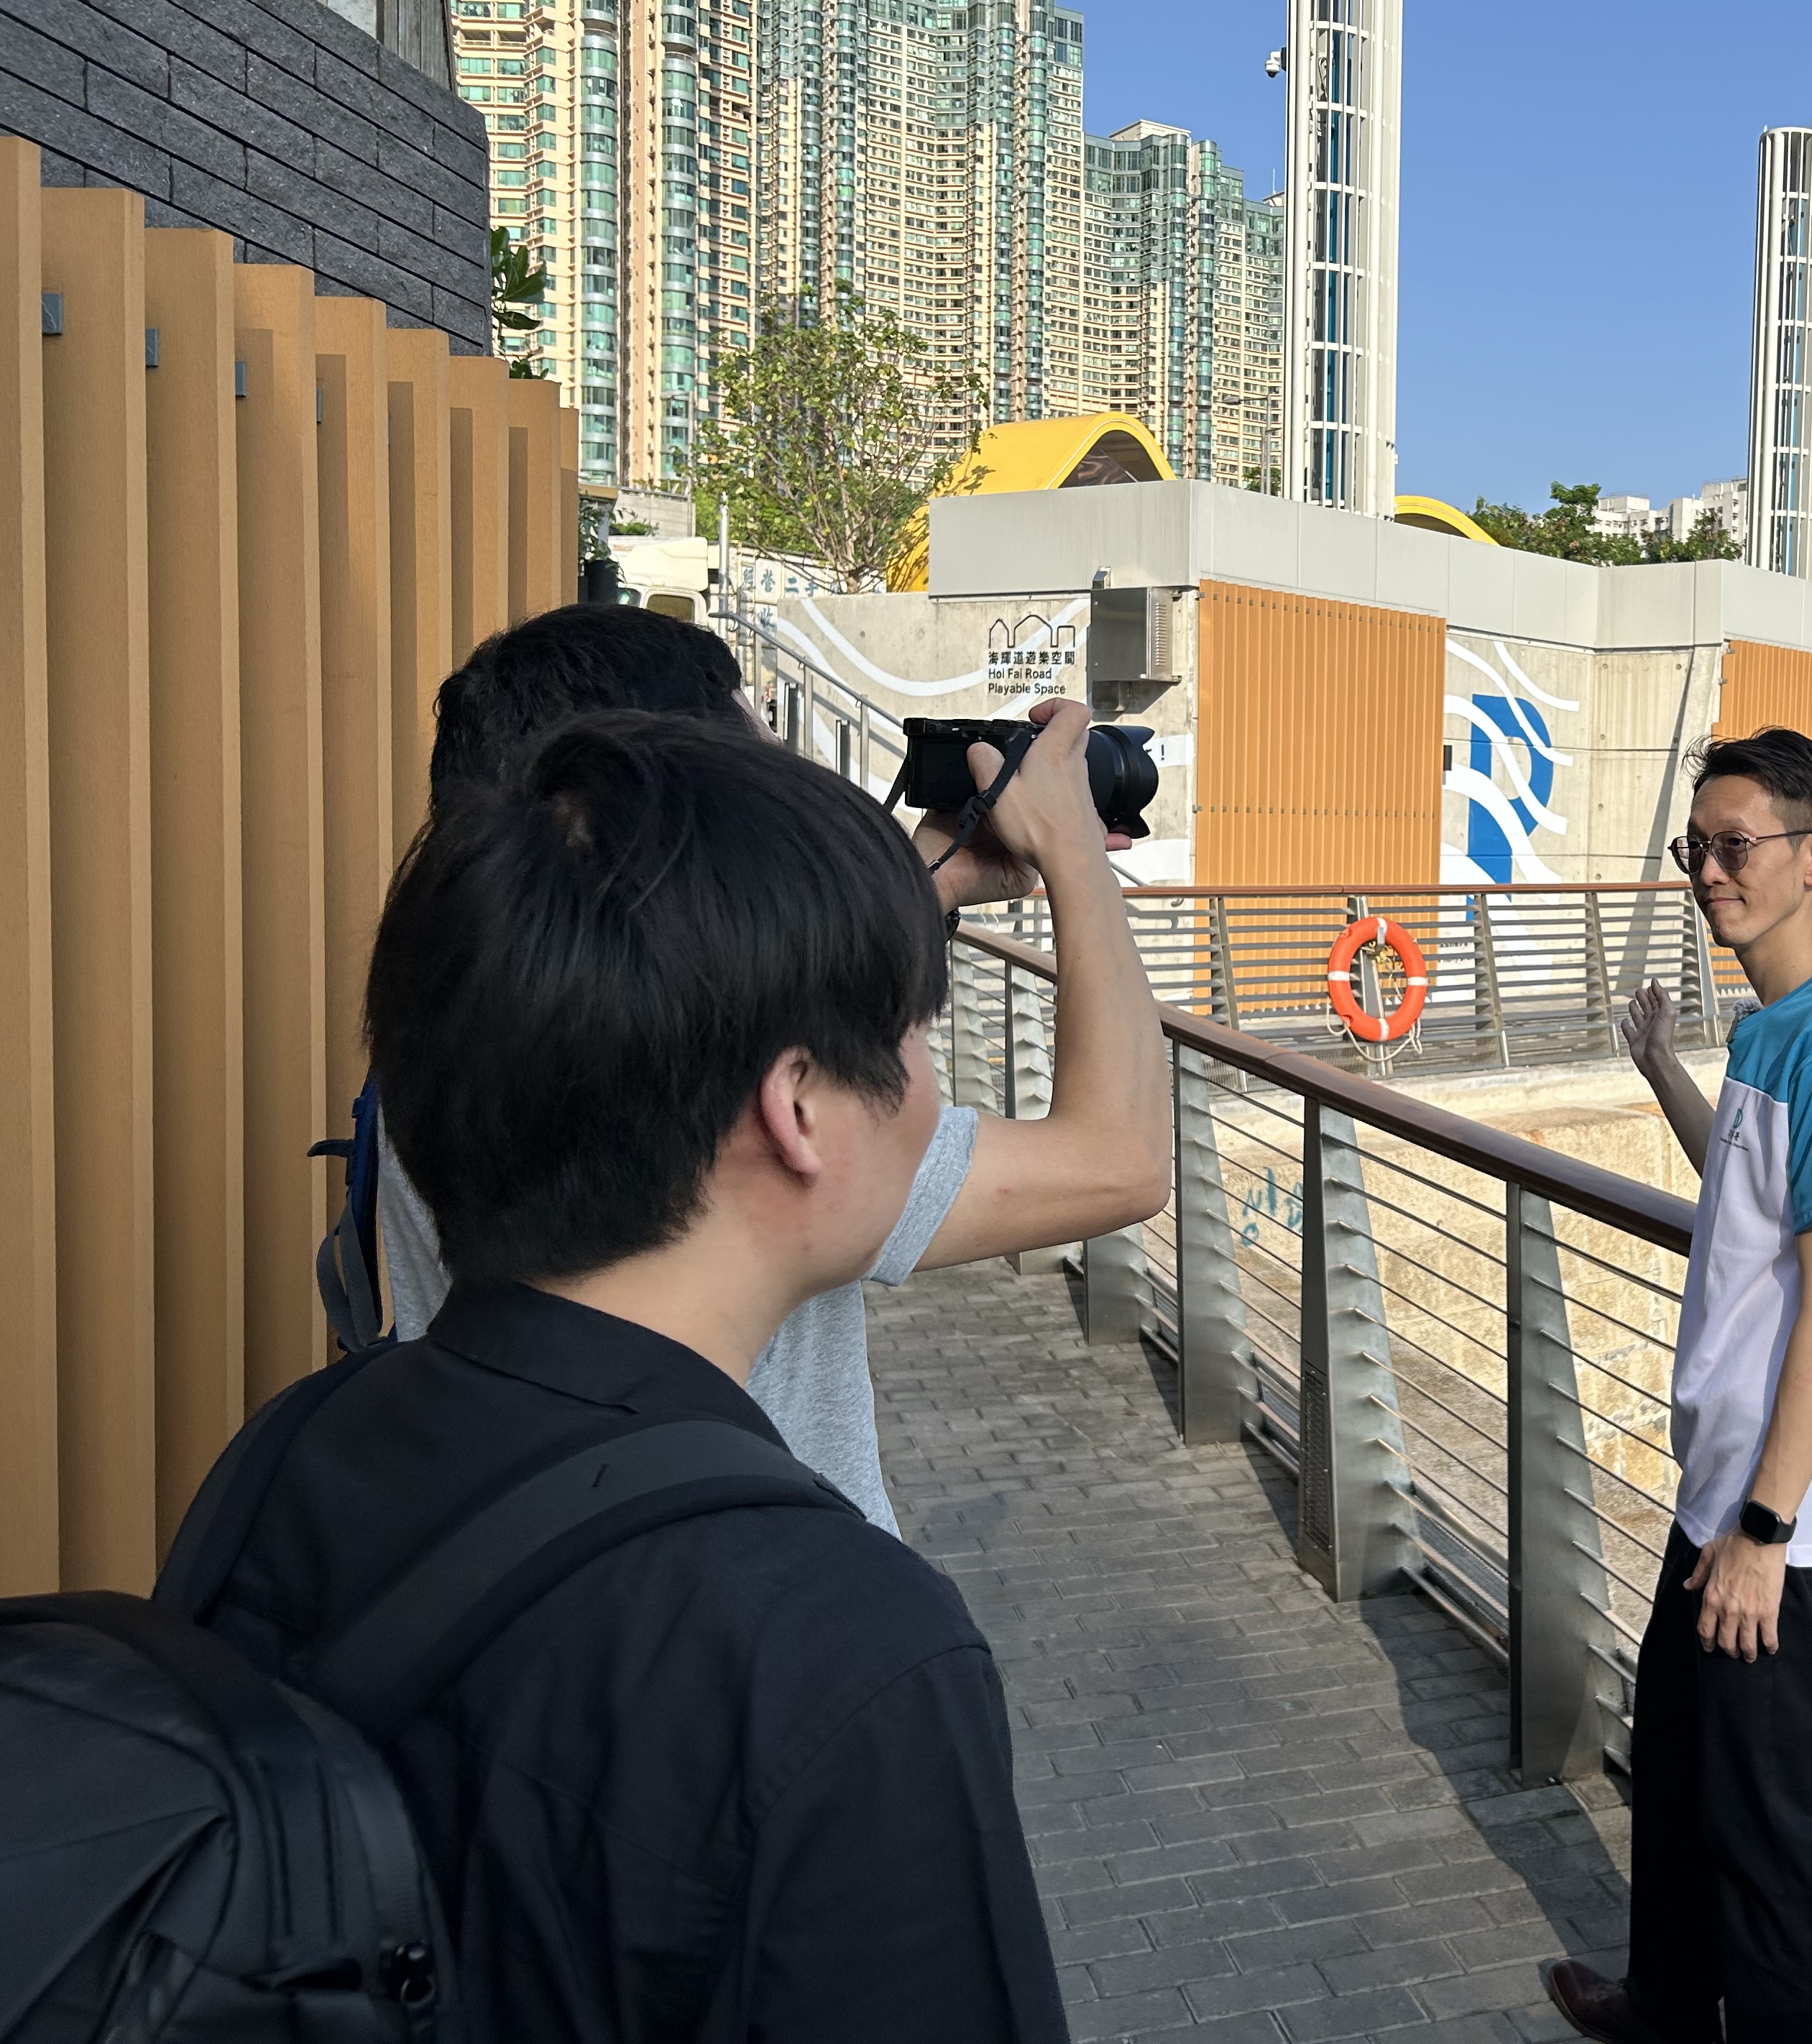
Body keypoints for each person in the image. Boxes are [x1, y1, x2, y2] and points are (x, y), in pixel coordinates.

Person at [201, 712, 1131, 2037]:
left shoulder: (288, 1453)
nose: (932, 1090)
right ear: (798, 1108)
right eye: (919, 1036)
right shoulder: (850, 1654)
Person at [374, 603, 1167, 1531]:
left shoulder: (440, 1037)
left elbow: (664, 964)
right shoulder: (749, 1121)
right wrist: (1073, 852)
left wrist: (925, 882)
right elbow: (1123, 1157)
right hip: (775, 1598)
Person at [1545, 728, 1812, 2044]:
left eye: (1736, 845)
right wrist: (1661, 1069)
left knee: (1783, 1861)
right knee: (1688, 1777)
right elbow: (1748, 1198)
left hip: (1788, 1528)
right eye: (1694, 848)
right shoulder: (1774, 1028)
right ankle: (1665, 2003)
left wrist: (1766, 1533)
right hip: (1724, 1496)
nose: (1709, 871)